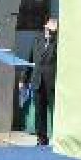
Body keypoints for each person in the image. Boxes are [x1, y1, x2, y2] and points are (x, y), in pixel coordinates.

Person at [21, 17, 59, 146]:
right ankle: (41, 138)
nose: (49, 32)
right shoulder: (37, 40)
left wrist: (54, 38)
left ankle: (57, 138)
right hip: (37, 81)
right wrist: (24, 79)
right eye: (47, 29)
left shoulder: (58, 43)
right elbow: (30, 60)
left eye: (52, 30)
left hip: (52, 83)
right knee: (39, 111)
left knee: (54, 110)